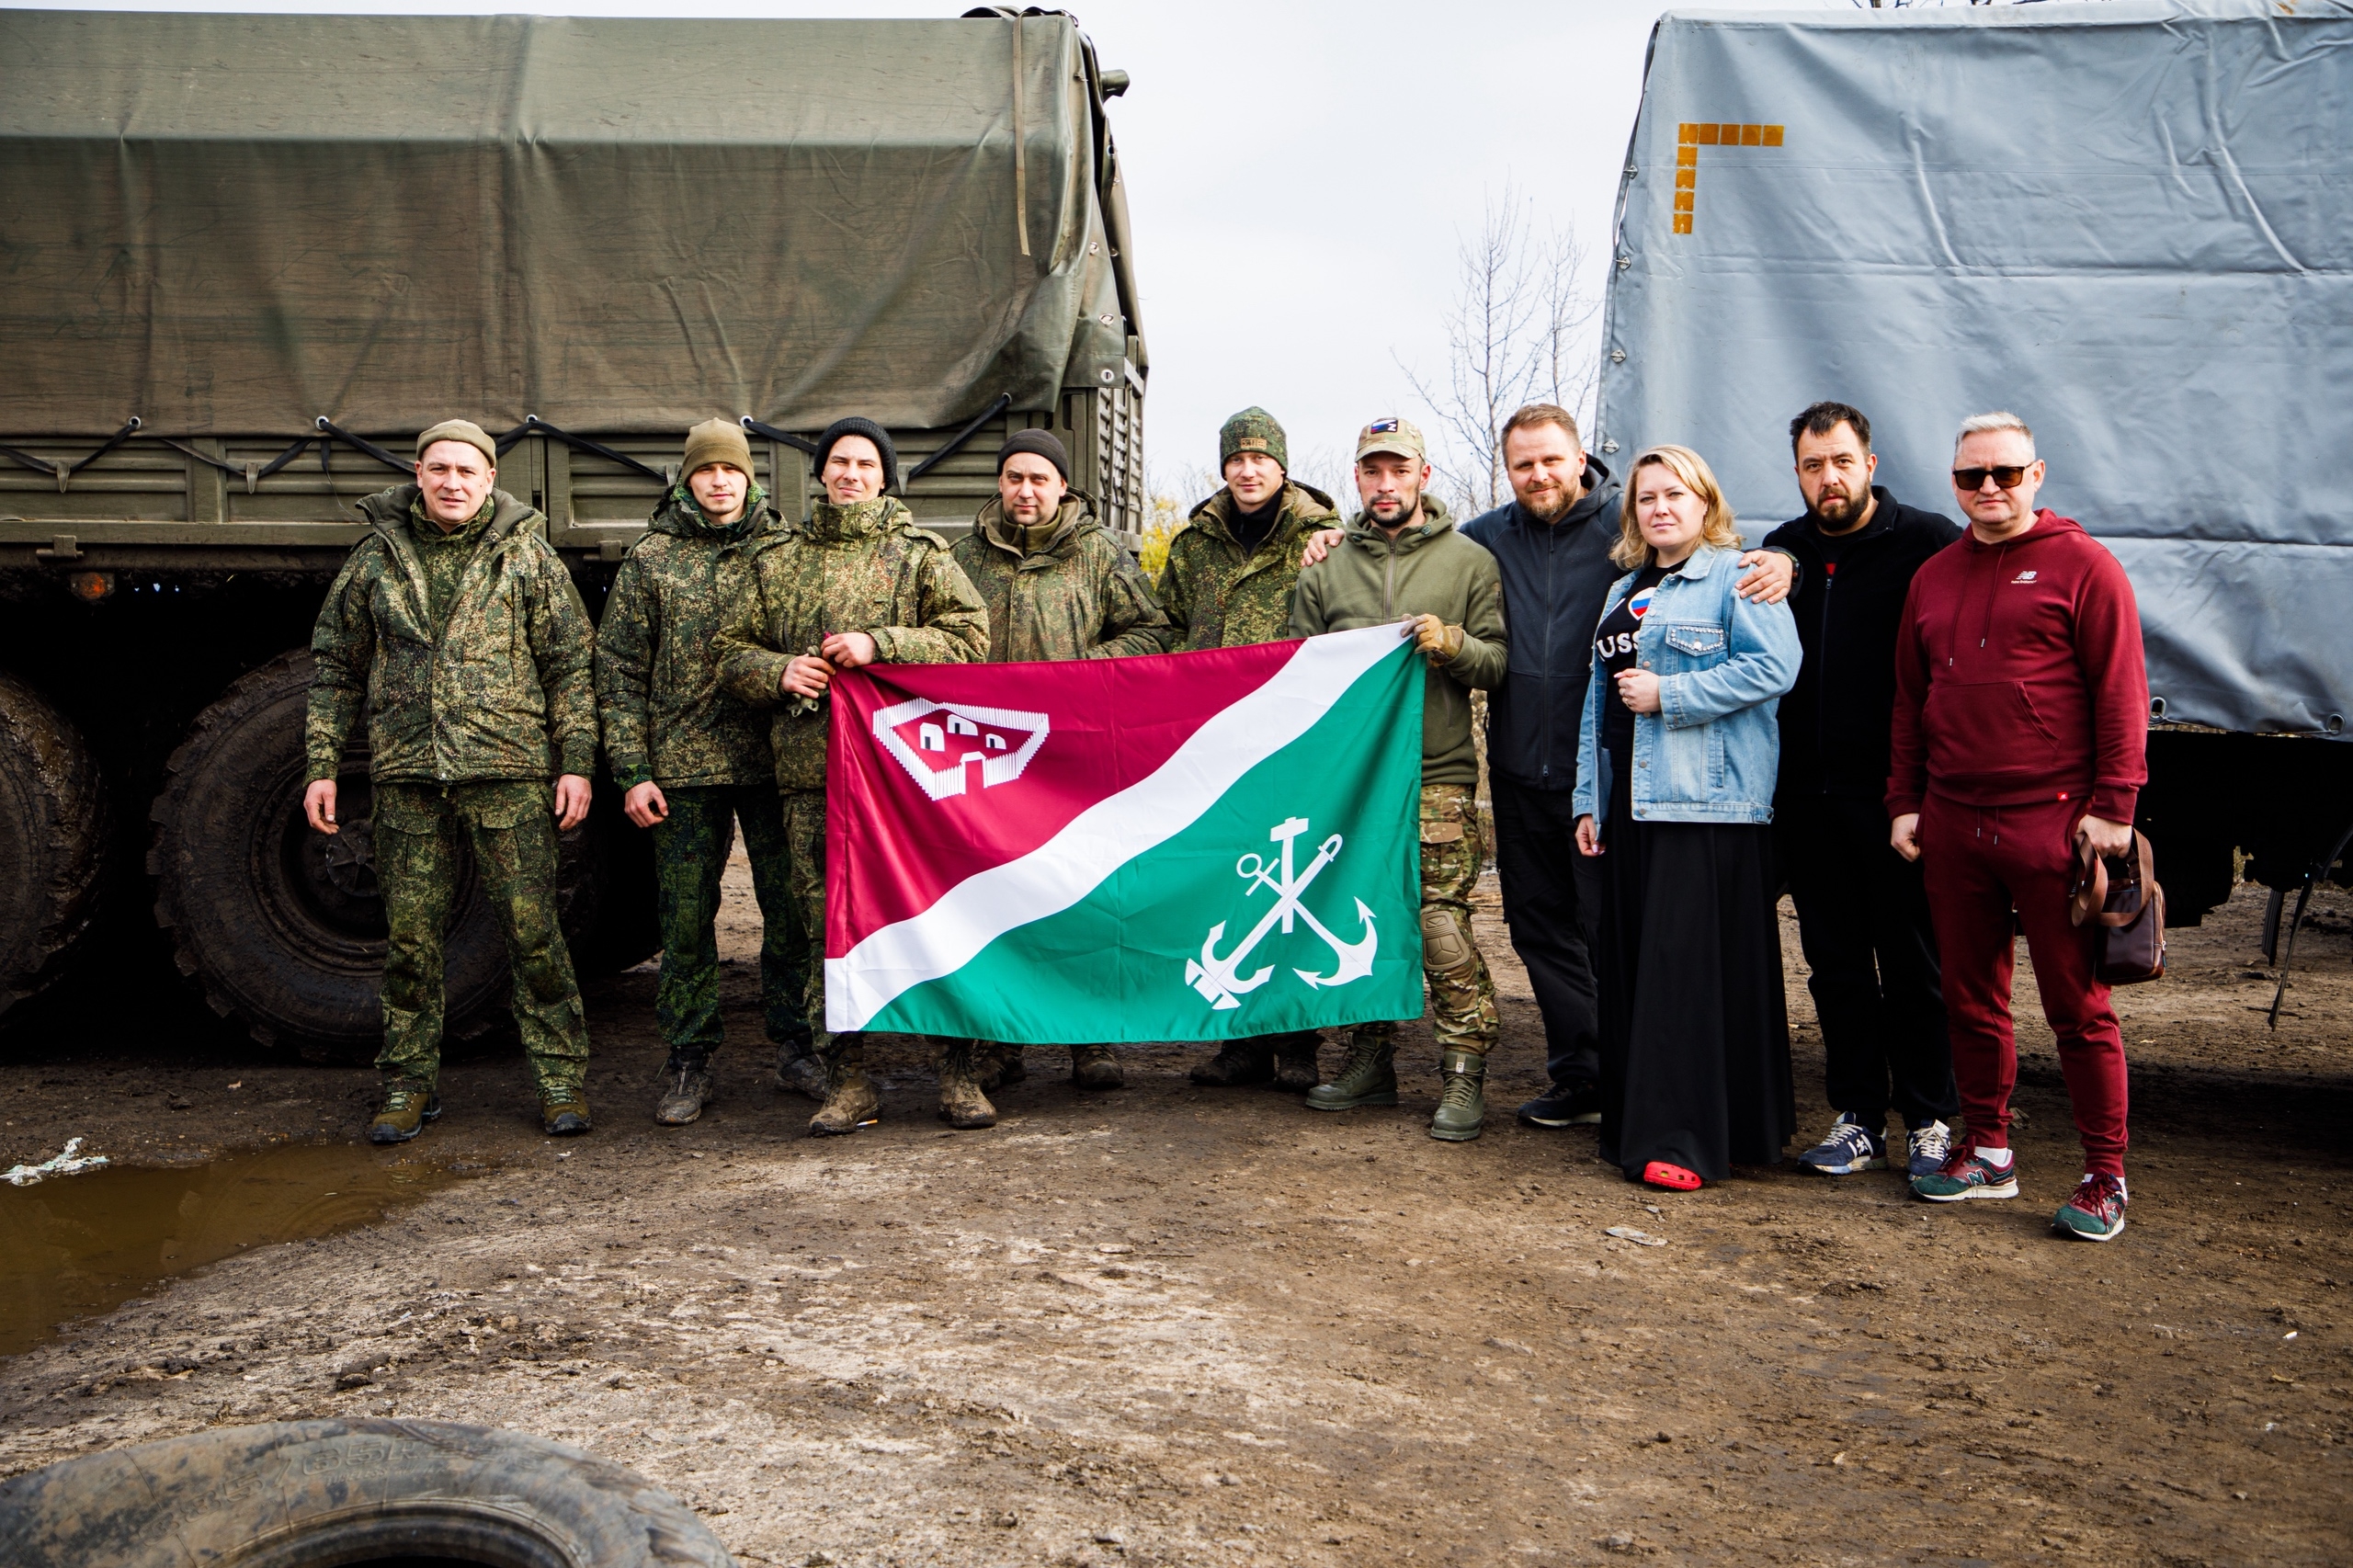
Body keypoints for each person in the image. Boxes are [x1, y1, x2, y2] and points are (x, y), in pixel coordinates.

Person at [1452, 405, 1798, 1131]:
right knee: (1537, 928)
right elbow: (1417, 543)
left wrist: (1779, 559)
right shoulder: (1487, 538)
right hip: (1525, 765)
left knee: (1615, 929)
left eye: (1551, 459)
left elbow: (1715, 567)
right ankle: (1582, 1073)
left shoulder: (1629, 523)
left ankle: (1639, 1072)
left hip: (1633, 774)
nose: (1538, 474)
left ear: (1581, 459)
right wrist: (1333, 534)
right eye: (1523, 464)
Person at [303, 419, 599, 1142]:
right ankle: (408, 1083)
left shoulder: (527, 558)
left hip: (507, 769)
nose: (453, 483)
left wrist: (578, 763)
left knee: (533, 935)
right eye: (439, 470)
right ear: (419, 473)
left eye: (468, 472)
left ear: (490, 479)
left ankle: (560, 1079)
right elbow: (335, 668)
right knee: (410, 941)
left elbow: (569, 666)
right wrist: (320, 767)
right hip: (407, 775)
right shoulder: (376, 558)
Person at [1890, 412, 2146, 1243]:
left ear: (2038, 475)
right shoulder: (1932, 577)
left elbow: (2121, 694)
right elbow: (1909, 701)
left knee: (2079, 1008)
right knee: (1969, 998)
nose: (1988, 489)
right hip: (1955, 823)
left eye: (2005, 473)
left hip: (2056, 824)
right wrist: (1906, 800)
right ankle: (1988, 1150)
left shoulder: (2086, 567)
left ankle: (2105, 1176)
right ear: (1953, 481)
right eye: (1972, 477)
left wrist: (2114, 808)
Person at [711, 416, 989, 1136]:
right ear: (821, 474)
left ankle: (957, 1074)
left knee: (932, 919)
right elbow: (727, 651)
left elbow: (969, 638)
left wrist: (881, 643)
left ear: (885, 476)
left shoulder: (921, 556)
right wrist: (776, 671)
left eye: (865, 463)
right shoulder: (778, 560)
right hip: (814, 776)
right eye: (839, 462)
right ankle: (848, 1079)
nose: (851, 474)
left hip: (909, 780)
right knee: (823, 931)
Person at [1572, 444, 1801, 1191]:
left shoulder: (1739, 577)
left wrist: (1672, 693)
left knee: (1687, 977)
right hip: (1631, 806)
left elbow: (1776, 668)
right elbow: (1598, 703)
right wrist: (1588, 799)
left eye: (1675, 495)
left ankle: (1687, 1139)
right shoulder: (1621, 592)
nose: (1660, 508)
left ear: (1706, 503)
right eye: (1646, 499)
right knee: (1637, 969)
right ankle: (1644, 1125)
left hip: (1704, 808)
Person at [1288, 416, 1508, 1142]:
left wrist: (1452, 644)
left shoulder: (1469, 562)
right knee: (1357, 914)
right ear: (1357, 478)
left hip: (1435, 773)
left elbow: (1497, 666)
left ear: (1424, 476)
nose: (1386, 485)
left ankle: (1463, 1070)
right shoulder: (1324, 566)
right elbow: (1294, 675)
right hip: (1349, 781)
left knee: (1440, 922)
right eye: (1372, 472)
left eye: (1399, 471)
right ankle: (1369, 1060)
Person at [596, 418, 820, 1129]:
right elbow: (619, 671)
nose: (719, 481)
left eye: (731, 470)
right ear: (687, 479)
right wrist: (632, 770)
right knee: (686, 916)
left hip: (773, 763)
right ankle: (689, 1057)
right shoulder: (653, 560)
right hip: (684, 768)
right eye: (705, 471)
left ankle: (796, 1043)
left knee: (787, 909)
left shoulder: (786, 552)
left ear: (750, 478)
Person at [942, 428, 1170, 1125]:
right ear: (1000, 484)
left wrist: (1081, 670)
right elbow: (935, 636)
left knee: (1081, 893)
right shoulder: (961, 559)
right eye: (1014, 478)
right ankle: (998, 1040)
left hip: (1076, 758)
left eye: (1039, 479)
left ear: (1063, 486)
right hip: (992, 761)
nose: (1026, 491)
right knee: (995, 898)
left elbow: (1153, 631)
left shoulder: (1100, 553)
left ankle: (1087, 1037)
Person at [1760, 403, 1963, 1181]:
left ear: (1870, 464)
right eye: (1813, 466)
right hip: (1807, 802)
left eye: (1841, 461)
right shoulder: (1786, 550)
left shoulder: (1927, 544)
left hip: (1896, 802)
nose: (1829, 478)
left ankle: (1930, 1119)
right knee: (1835, 964)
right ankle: (1857, 1118)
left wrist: (1928, 788)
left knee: (1915, 965)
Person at [1159, 407, 1343, 1093]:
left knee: (1291, 884)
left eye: (1260, 459)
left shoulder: (1325, 540)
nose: (1248, 470)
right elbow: (1165, 628)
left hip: (1295, 740)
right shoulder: (1193, 547)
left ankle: (1297, 1041)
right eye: (1236, 460)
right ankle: (1239, 1042)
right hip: (1213, 743)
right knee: (1229, 887)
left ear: (1282, 466)